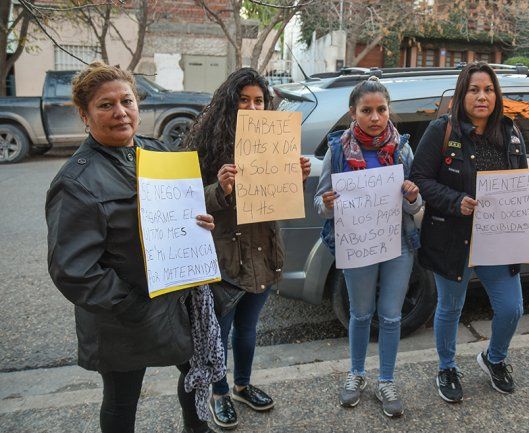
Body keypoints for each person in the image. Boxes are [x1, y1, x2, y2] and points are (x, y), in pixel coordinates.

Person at [45, 62, 220, 433]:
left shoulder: (156, 154)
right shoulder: (76, 182)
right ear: (84, 114)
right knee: (123, 398)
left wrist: (197, 222)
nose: (120, 112)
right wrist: (132, 305)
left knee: (195, 373)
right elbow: (72, 271)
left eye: (127, 101)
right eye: (105, 105)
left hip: (174, 303)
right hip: (122, 316)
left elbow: (180, 212)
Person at [410, 62, 529, 403]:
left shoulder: (510, 131)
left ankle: (494, 358)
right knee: (449, 308)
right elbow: (421, 178)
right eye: (474, 89)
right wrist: (454, 200)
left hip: (498, 240)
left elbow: (516, 182)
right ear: (462, 94)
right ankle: (446, 367)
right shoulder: (442, 131)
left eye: (488, 89)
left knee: (511, 308)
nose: (482, 96)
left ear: (496, 95)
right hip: (452, 237)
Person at [182, 67, 311, 430]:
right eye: (244, 100)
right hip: (224, 258)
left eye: (259, 101)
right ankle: (219, 392)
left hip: (263, 252)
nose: (253, 107)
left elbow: (282, 202)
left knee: (249, 329)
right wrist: (218, 190)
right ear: (229, 103)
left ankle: (242, 385)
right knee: (218, 331)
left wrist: (295, 178)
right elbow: (184, 202)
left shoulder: (275, 143)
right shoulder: (205, 146)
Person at [314, 76, 422, 418]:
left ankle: (386, 379)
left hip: (399, 244)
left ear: (389, 111)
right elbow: (320, 202)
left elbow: (417, 207)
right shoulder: (337, 150)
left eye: (381, 110)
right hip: (358, 244)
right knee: (360, 313)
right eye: (366, 110)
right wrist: (328, 203)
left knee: (391, 315)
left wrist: (413, 196)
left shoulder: (403, 149)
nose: (375, 117)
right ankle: (357, 373)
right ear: (352, 113)